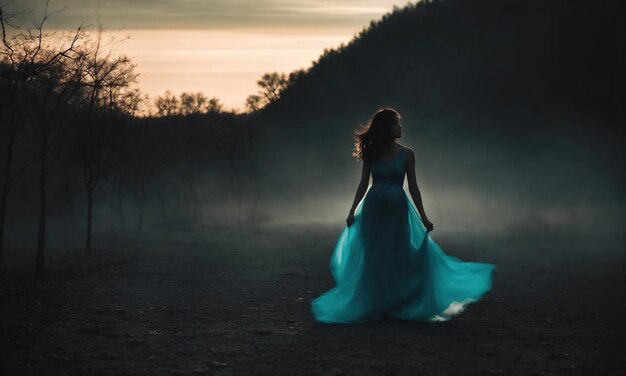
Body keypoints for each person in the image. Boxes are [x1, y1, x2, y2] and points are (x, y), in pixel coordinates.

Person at [311, 107, 496, 324]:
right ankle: (375, 302)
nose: (401, 127)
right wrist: (352, 211)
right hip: (373, 209)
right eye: (396, 124)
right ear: (386, 128)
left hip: (398, 210)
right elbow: (363, 184)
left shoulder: (408, 154)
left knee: (396, 251)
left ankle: (395, 302)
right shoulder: (372, 152)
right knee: (374, 254)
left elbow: (414, 188)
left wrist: (424, 217)